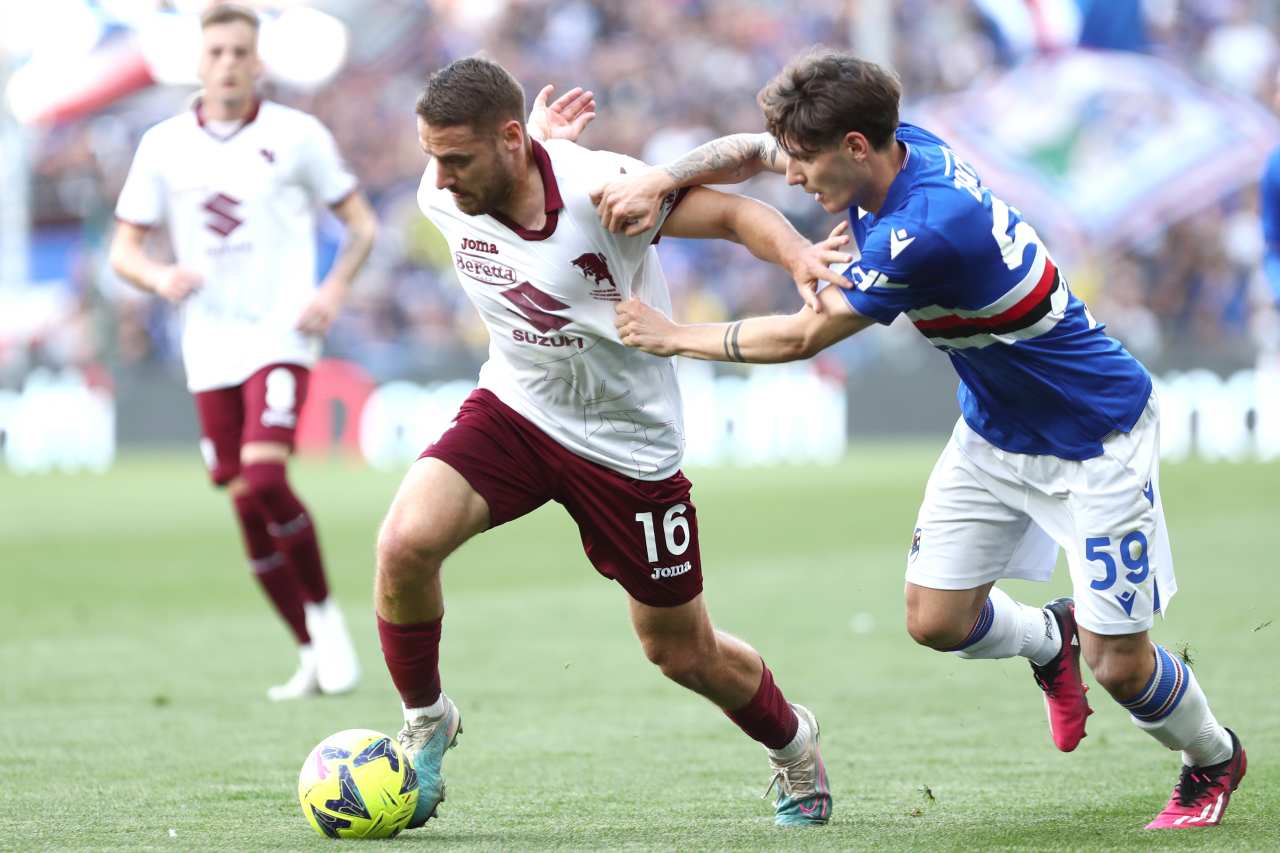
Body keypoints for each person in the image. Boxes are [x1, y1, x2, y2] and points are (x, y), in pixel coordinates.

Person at [595, 48, 1247, 830]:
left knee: (1122, 666)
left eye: (805, 161)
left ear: (856, 147)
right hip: (995, 429)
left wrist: (672, 335)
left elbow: (803, 336)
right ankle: (1051, 637)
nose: (793, 177)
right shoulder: (896, 145)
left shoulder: (927, 229)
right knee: (936, 619)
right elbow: (747, 151)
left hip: (1095, 435)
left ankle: (1213, 757)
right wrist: (661, 179)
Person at [376, 56, 853, 830]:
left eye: (457, 157)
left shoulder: (602, 191)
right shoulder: (445, 191)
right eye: (433, 155)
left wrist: (798, 253)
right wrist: (517, 148)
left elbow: (733, 215)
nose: (441, 176)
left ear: (508, 140)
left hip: (627, 442)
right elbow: (491, 168)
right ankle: (427, 720)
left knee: (681, 652)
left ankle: (793, 740)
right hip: (519, 408)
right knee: (404, 543)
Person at [109, 4, 376, 701]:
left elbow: (360, 225)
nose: (228, 63)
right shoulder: (163, 145)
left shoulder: (297, 136)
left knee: (263, 475)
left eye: (239, 52)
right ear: (199, 63)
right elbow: (123, 250)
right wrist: (159, 277)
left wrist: (332, 291)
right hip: (208, 342)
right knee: (242, 499)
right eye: (217, 52)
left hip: (280, 332)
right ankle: (308, 652)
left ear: (259, 62)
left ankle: (327, 621)